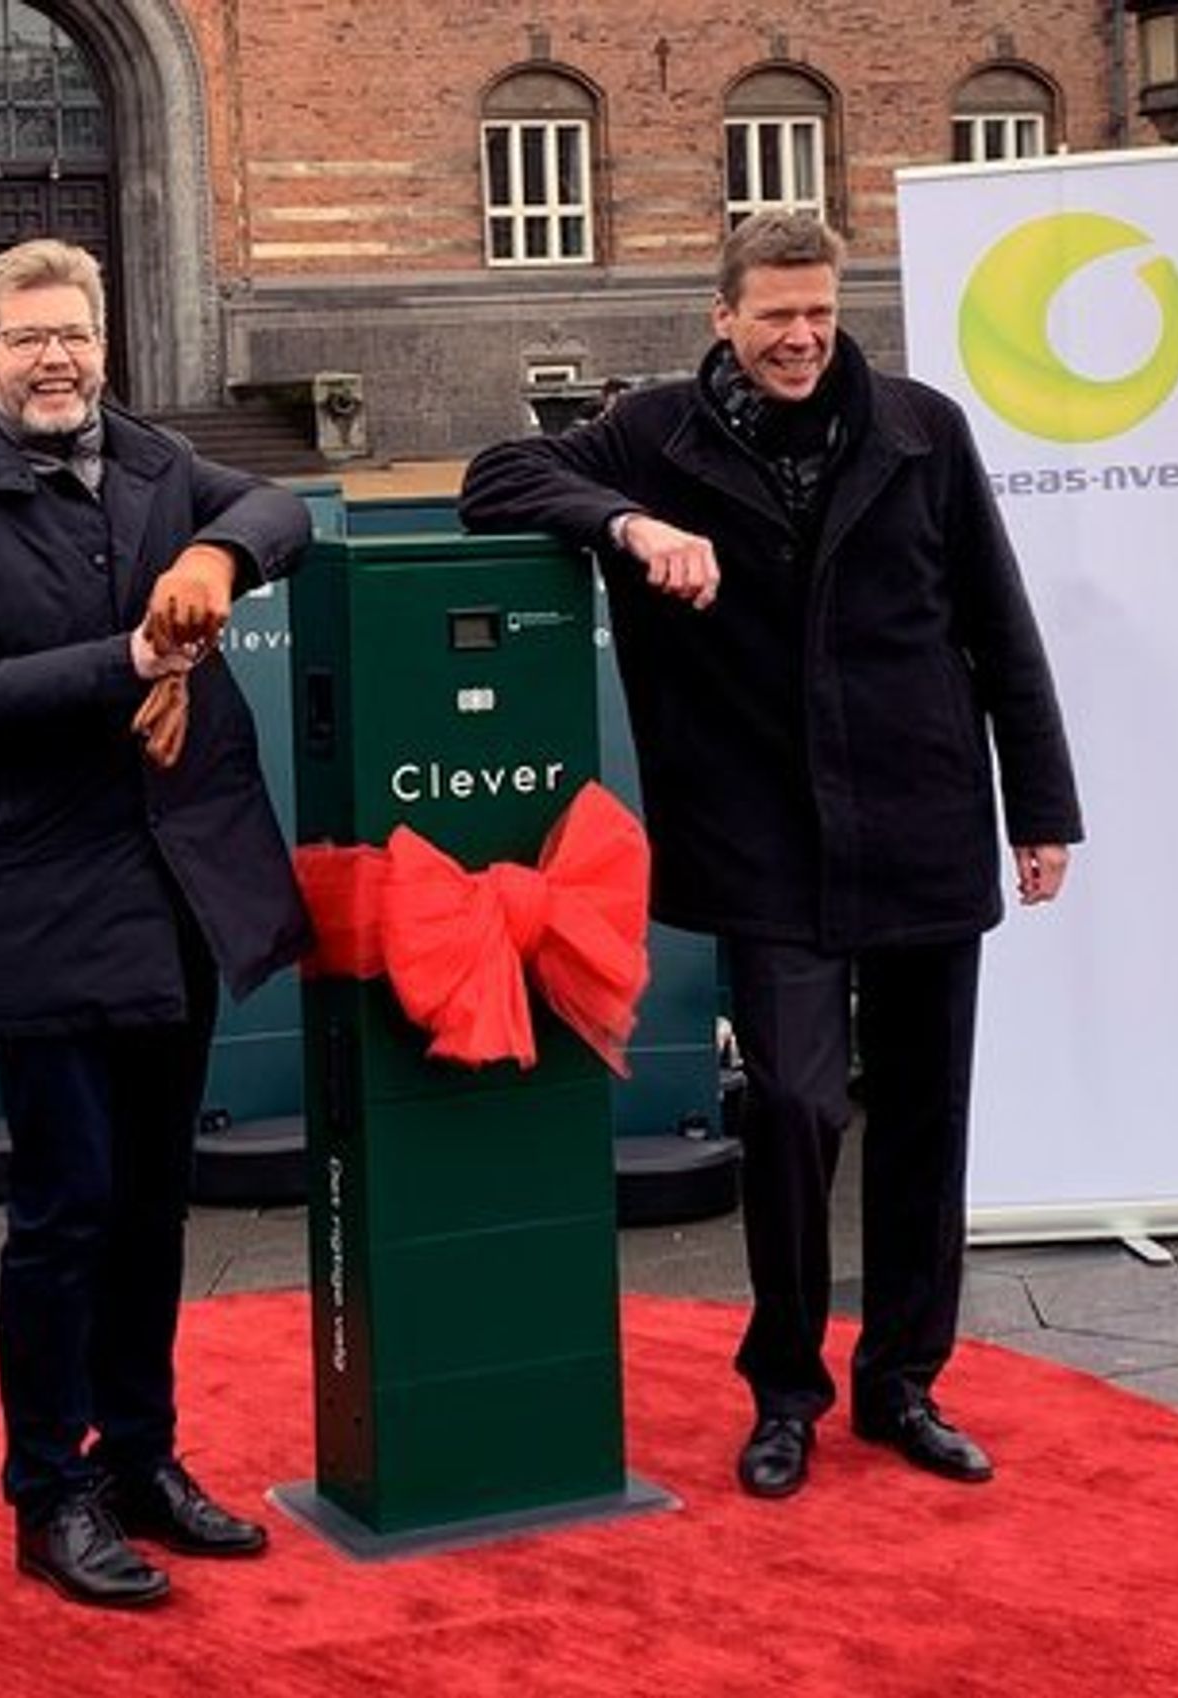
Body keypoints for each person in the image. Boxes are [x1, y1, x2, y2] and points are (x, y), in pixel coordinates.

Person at [459, 211, 1081, 1498]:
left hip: (919, 811)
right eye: (775, 316)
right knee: (794, 1105)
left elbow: (999, 629)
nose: (801, 338)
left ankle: (904, 1381)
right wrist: (626, 525)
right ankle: (785, 1390)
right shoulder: (652, 436)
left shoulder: (921, 429)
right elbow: (496, 479)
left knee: (925, 1115)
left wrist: (1042, 809)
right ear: (722, 316)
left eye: (819, 311)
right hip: (762, 834)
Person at [0, 237, 310, 1608]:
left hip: (175, 889)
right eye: (27, 339)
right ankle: (47, 1489)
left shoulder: (153, 461)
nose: (55, 357)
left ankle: (139, 1455)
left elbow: (281, 507)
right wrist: (132, 654)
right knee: (65, 1212)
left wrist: (209, 550)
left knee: (152, 1208)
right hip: (46, 901)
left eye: (73, 334)